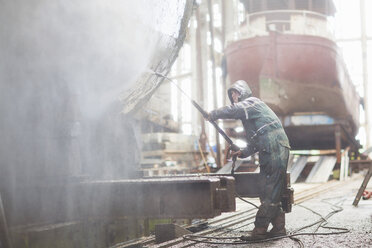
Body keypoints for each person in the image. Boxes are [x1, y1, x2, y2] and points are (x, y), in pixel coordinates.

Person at [208, 80, 290, 240]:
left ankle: (259, 230)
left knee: (269, 190)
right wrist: (242, 152)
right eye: (231, 94)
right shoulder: (250, 119)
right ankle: (279, 227)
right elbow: (254, 143)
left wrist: (214, 114)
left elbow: (234, 110)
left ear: (243, 92)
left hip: (275, 147)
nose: (233, 96)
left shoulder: (252, 103)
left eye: (235, 92)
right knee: (269, 189)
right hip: (270, 149)